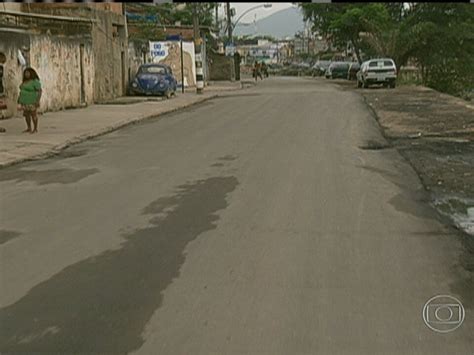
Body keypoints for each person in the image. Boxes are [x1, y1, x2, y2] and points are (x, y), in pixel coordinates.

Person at [18, 67, 42, 134]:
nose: (26, 74)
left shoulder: (35, 81)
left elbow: (39, 91)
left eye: (28, 73)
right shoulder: (24, 82)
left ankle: (35, 128)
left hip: (32, 101)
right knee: (26, 115)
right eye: (25, 73)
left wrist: (37, 100)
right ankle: (29, 127)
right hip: (24, 101)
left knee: (33, 114)